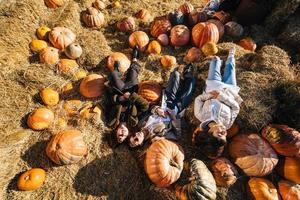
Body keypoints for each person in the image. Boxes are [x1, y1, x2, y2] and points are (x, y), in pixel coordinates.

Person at [128, 64, 196, 148]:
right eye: (136, 140)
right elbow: (177, 135)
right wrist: (174, 118)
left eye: (133, 135)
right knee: (189, 87)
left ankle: (179, 79)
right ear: (142, 143)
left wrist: (156, 109)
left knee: (176, 75)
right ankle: (187, 73)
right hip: (176, 109)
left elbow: (148, 108)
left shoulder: (141, 123)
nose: (136, 136)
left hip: (166, 100)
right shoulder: (157, 138)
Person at [193, 47, 243, 158]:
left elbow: (198, 99)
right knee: (230, 69)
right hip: (229, 90)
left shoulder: (200, 115)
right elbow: (235, 107)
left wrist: (210, 95)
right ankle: (231, 55)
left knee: (214, 62)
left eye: (220, 133)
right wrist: (221, 97)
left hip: (213, 86)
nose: (224, 132)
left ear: (209, 132)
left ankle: (218, 59)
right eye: (224, 135)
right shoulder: (228, 124)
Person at [106, 46, 149, 146]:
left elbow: (108, 104)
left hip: (119, 91)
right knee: (133, 73)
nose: (122, 133)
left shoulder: (111, 121)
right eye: (124, 136)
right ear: (128, 134)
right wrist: (132, 96)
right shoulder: (134, 123)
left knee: (112, 74)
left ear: (115, 132)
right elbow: (145, 106)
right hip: (131, 90)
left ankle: (117, 71)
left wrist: (118, 98)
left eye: (119, 135)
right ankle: (135, 57)